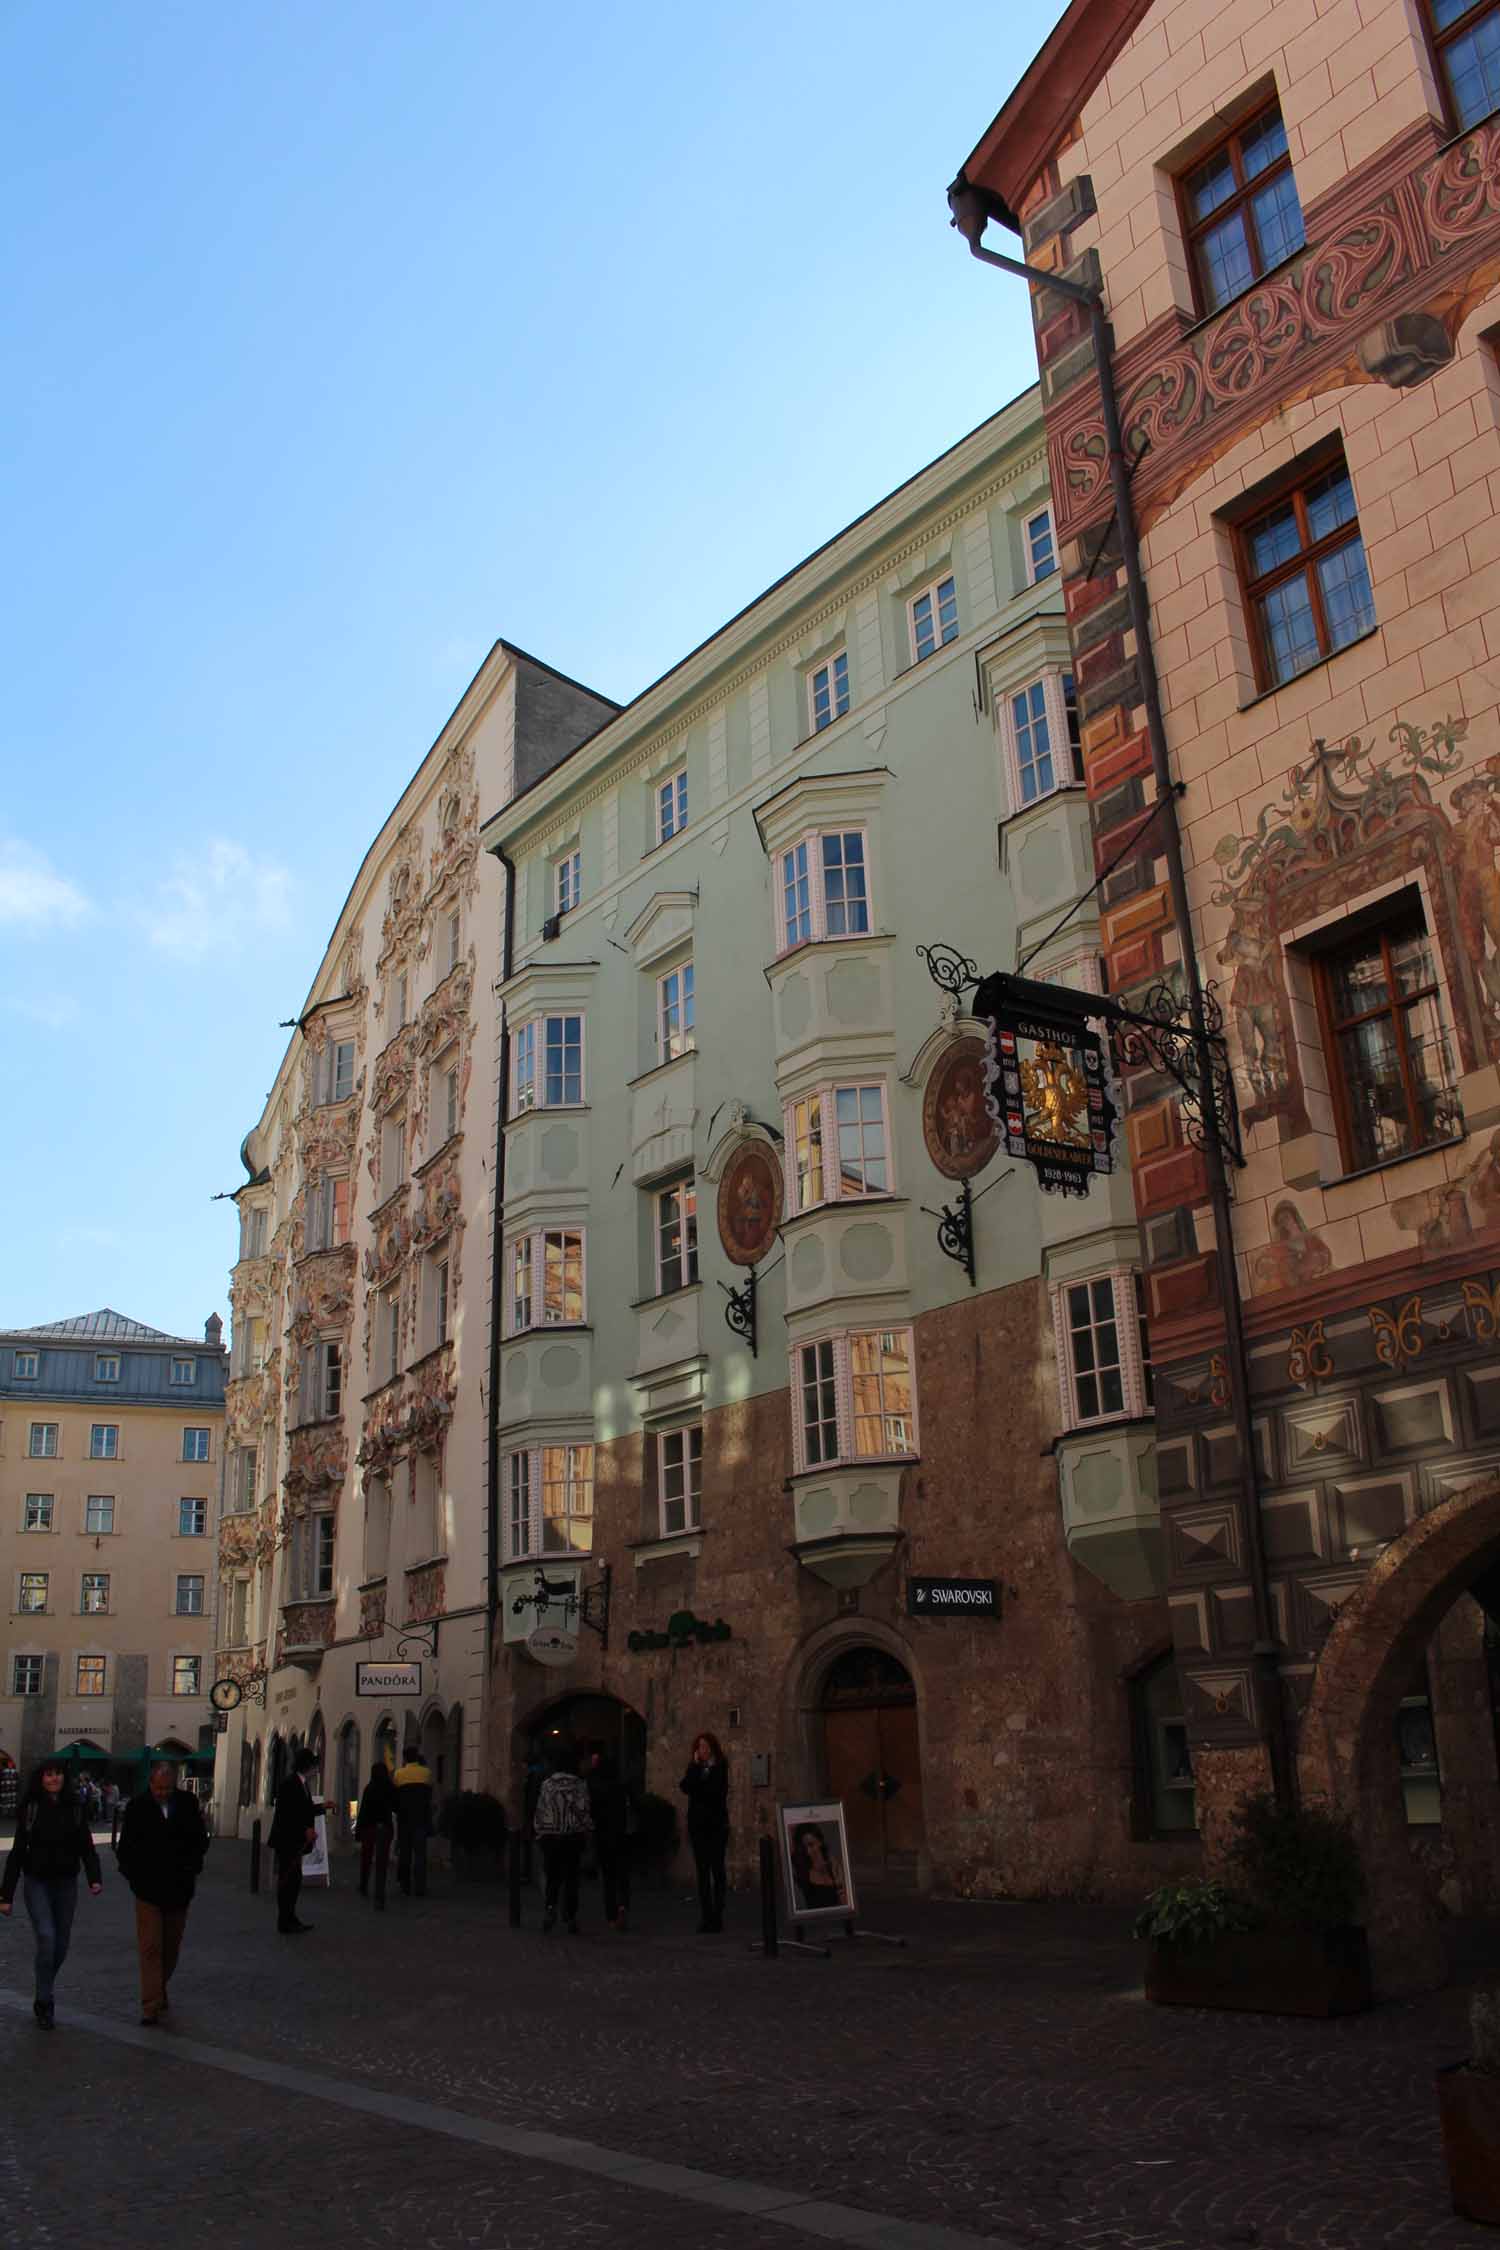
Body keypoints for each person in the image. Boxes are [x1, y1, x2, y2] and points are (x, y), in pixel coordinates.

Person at [0, 1755, 103, 2028]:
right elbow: (18, 1852)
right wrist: (6, 1894)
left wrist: (94, 1877)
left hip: (66, 1883)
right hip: (37, 1882)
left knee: (61, 1945)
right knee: (46, 1937)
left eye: (57, 1774)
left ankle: (43, 1985)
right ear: (40, 1779)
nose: (53, 1778)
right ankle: (44, 2000)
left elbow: (87, 1847)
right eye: (48, 1774)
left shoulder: (75, 1807)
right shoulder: (31, 1809)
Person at [114, 1759, 208, 2024]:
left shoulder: (188, 1804)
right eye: (158, 1788)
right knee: (150, 1946)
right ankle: (150, 2004)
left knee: (171, 1946)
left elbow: (200, 1840)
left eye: (167, 1789)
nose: (162, 1793)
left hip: (179, 1888)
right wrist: (134, 1877)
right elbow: (127, 1848)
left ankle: (159, 1987)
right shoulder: (138, 1807)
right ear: (150, 1784)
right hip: (148, 1889)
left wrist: (192, 1867)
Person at [532, 1749, 592, 1934]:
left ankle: (550, 1908)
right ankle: (571, 1916)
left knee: (552, 1876)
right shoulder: (579, 1785)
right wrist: (588, 1830)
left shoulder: (547, 1785)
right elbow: (584, 1811)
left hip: (551, 1837)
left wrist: (540, 1832)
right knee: (572, 1878)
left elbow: (541, 1810)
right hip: (572, 1836)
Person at [679, 1731, 729, 1935]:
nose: (703, 1750)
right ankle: (706, 1915)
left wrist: (698, 1784)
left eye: (706, 1747)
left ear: (713, 1748)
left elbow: (714, 1793)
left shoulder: (720, 1768)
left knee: (717, 1869)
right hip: (698, 1826)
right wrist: (694, 1766)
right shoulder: (696, 1769)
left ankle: (717, 1915)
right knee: (702, 1871)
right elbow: (684, 1786)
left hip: (716, 1826)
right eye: (700, 1747)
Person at [268, 1746, 318, 1935]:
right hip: (288, 1840)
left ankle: (290, 1916)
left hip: (296, 1841)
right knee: (288, 1879)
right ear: (307, 1766)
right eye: (314, 1766)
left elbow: (304, 1810)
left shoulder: (302, 1784)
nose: (316, 1770)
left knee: (294, 1880)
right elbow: (287, 1814)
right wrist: (305, 1829)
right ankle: (285, 1920)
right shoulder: (290, 1784)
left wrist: (322, 1808)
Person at [585, 1745, 632, 1933]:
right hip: (621, 1835)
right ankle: (623, 1906)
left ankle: (611, 1916)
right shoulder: (621, 1786)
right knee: (622, 1875)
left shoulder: (595, 1787)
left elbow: (591, 1813)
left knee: (608, 1878)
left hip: (604, 1836)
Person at [356, 1759, 399, 1908]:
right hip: (385, 1827)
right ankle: (379, 1896)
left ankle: (363, 1885)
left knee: (366, 1858)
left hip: (369, 1827)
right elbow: (396, 1806)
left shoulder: (369, 1788)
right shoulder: (390, 1787)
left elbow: (363, 1811)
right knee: (382, 1862)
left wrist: (358, 1830)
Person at [393, 1747, 434, 1898]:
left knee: (405, 1854)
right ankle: (420, 1887)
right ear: (417, 1757)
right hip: (421, 1819)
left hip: (404, 1820)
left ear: (404, 1759)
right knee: (420, 1854)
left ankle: (405, 1886)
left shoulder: (398, 1774)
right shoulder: (426, 1773)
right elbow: (430, 1793)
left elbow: (396, 1796)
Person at [789, 1822, 848, 1913]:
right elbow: (788, 1830)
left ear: (820, 1842)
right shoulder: (802, 1870)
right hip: (816, 1923)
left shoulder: (834, 1865)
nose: (808, 1851)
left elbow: (846, 1898)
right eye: (805, 1847)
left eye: (811, 1845)